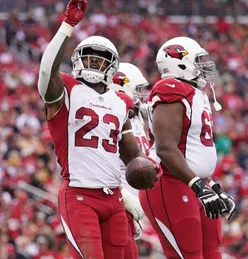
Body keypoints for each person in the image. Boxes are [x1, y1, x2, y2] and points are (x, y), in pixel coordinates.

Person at [37, 1, 161, 258]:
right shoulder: (67, 90)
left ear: (112, 67)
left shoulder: (120, 102)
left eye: (100, 60)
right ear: (77, 60)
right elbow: (46, 71)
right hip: (80, 194)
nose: (93, 63)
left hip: (114, 198)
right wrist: (68, 26)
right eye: (89, 58)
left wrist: (148, 165)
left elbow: (130, 153)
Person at [139, 37, 236, 259]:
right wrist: (198, 186)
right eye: (198, 61)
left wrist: (211, 186)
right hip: (171, 183)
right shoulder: (171, 89)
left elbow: (192, 152)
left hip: (194, 185)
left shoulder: (198, 95)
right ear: (179, 63)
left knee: (212, 254)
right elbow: (165, 148)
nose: (204, 67)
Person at [109, 62, 152, 259]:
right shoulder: (112, 116)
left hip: (135, 205)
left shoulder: (136, 117)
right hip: (117, 203)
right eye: (137, 89)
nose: (142, 95)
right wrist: (123, 196)